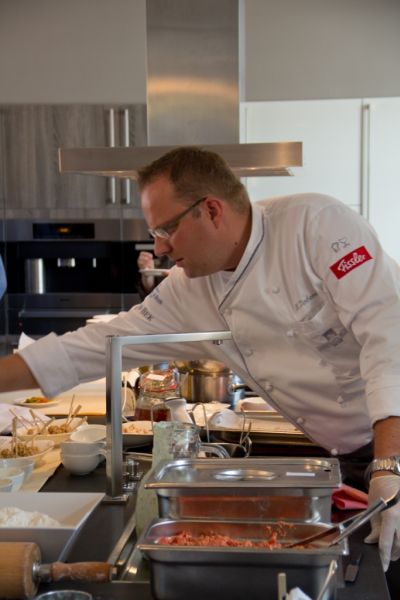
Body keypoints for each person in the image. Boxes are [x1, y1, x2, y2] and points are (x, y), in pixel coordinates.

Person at [0, 146, 400, 573]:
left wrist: (388, 464)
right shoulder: (189, 288)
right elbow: (97, 344)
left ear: (211, 210)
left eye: (166, 229)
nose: (160, 246)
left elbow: (389, 338)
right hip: (346, 456)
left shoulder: (316, 225)